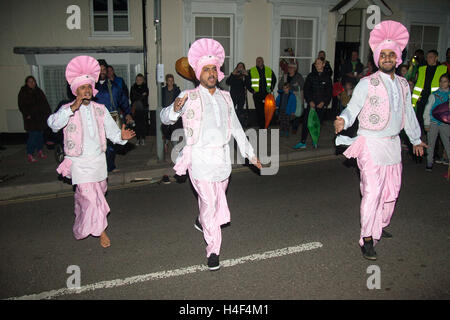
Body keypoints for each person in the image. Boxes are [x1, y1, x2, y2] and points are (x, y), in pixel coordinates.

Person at [160, 38, 262, 271]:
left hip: (222, 161)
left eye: (213, 69)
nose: (211, 73)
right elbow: (165, 118)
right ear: (198, 74)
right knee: (209, 204)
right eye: (206, 69)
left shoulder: (226, 97)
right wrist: (174, 109)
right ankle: (213, 250)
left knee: (213, 204)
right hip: (199, 160)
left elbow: (236, 128)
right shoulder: (188, 96)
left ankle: (201, 220)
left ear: (218, 72)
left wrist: (251, 155)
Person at [334, 21, 427, 260]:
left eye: (391, 55)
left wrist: (416, 139)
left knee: (391, 192)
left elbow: (408, 113)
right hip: (370, 143)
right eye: (382, 55)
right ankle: (367, 238)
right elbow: (352, 107)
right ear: (377, 59)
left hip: (393, 145)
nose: (387, 58)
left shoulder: (404, 84)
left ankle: (379, 224)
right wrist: (343, 120)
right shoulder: (367, 83)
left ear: (397, 58)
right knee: (373, 192)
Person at [47, 56, 136, 248]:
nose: (86, 90)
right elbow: (53, 125)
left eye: (89, 87)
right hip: (79, 163)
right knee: (91, 198)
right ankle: (101, 231)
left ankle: (82, 223)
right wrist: (72, 108)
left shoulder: (100, 109)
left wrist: (123, 137)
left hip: (98, 162)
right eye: (82, 88)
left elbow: (113, 133)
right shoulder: (66, 109)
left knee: (93, 198)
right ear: (75, 91)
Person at [95, 59, 133, 172]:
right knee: (97, 143)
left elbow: (123, 101)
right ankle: (99, 167)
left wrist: (128, 113)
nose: (102, 72)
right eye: (99, 69)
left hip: (112, 117)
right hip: (96, 118)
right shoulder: (90, 87)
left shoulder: (114, 86)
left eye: (104, 69)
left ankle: (110, 166)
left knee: (111, 144)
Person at [293, 57, 332, 149]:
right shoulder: (311, 76)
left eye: (319, 63)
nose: (317, 65)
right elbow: (306, 90)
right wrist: (309, 101)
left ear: (323, 64)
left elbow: (329, 92)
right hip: (311, 104)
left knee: (317, 124)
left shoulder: (327, 78)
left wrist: (324, 102)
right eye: (316, 63)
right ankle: (303, 142)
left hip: (321, 105)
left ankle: (315, 141)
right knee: (306, 123)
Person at [411, 49, 447, 133]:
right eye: (427, 57)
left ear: (436, 58)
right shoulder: (422, 69)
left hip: (436, 99)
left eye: (431, 57)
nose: (428, 59)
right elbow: (418, 84)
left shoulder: (443, 69)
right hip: (422, 98)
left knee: (434, 120)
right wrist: (417, 97)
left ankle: (433, 142)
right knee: (419, 119)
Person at [18, 75, 52, 163]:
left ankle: (40, 150)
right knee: (33, 136)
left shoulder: (38, 91)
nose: (32, 83)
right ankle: (30, 153)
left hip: (40, 118)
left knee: (40, 136)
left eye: (33, 82)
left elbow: (45, 103)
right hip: (31, 119)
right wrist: (27, 114)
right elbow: (22, 105)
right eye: (30, 82)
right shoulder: (23, 92)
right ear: (26, 83)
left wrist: (48, 114)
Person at [423, 73, 450, 171]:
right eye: (441, 81)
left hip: (445, 124)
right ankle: (429, 163)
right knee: (431, 144)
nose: (442, 84)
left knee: (447, 144)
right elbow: (427, 109)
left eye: (445, 81)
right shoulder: (434, 95)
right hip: (433, 123)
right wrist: (427, 123)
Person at [161, 73, 182, 184]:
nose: (171, 82)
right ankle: (166, 144)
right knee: (167, 136)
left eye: (172, 80)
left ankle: (177, 159)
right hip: (166, 116)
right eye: (169, 80)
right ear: (166, 81)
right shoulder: (163, 91)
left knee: (175, 138)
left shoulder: (177, 91)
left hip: (175, 117)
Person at [246, 57, 277, 128]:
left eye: (260, 60)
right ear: (256, 62)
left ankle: (266, 125)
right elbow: (247, 82)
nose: (259, 62)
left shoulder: (269, 70)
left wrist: (271, 89)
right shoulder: (251, 70)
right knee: (259, 111)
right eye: (257, 61)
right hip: (257, 94)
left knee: (267, 110)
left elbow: (274, 79)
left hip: (267, 94)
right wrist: (251, 90)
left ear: (263, 61)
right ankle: (262, 126)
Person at [279, 63, 305, 134]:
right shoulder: (285, 76)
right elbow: (280, 86)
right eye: (289, 67)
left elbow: (302, 87)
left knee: (296, 113)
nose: (290, 69)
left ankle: (294, 128)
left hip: (296, 97)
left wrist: (295, 88)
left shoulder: (299, 77)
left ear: (295, 69)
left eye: (292, 67)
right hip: (286, 97)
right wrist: (284, 87)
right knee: (286, 113)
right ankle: (285, 128)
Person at [226, 62, 249, 127]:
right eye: (239, 66)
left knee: (240, 111)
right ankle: (230, 124)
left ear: (244, 68)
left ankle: (239, 124)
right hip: (233, 95)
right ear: (236, 68)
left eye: (241, 66)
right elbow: (228, 82)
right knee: (231, 110)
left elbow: (248, 85)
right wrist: (233, 74)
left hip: (241, 96)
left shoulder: (245, 75)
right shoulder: (234, 75)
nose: (240, 68)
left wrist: (247, 75)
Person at [130, 73, 149, 146]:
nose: (138, 81)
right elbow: (132, 98)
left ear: (143, 80)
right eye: (137, 79)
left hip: (143, 108)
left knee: (143, 124)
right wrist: (141, 96)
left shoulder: (145, 87)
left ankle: (143, 139)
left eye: (140, 80)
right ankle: (138, 139)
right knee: (137, 125)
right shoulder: (133, 87)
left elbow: (144, 96)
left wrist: (138, 96)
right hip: (136, 109)